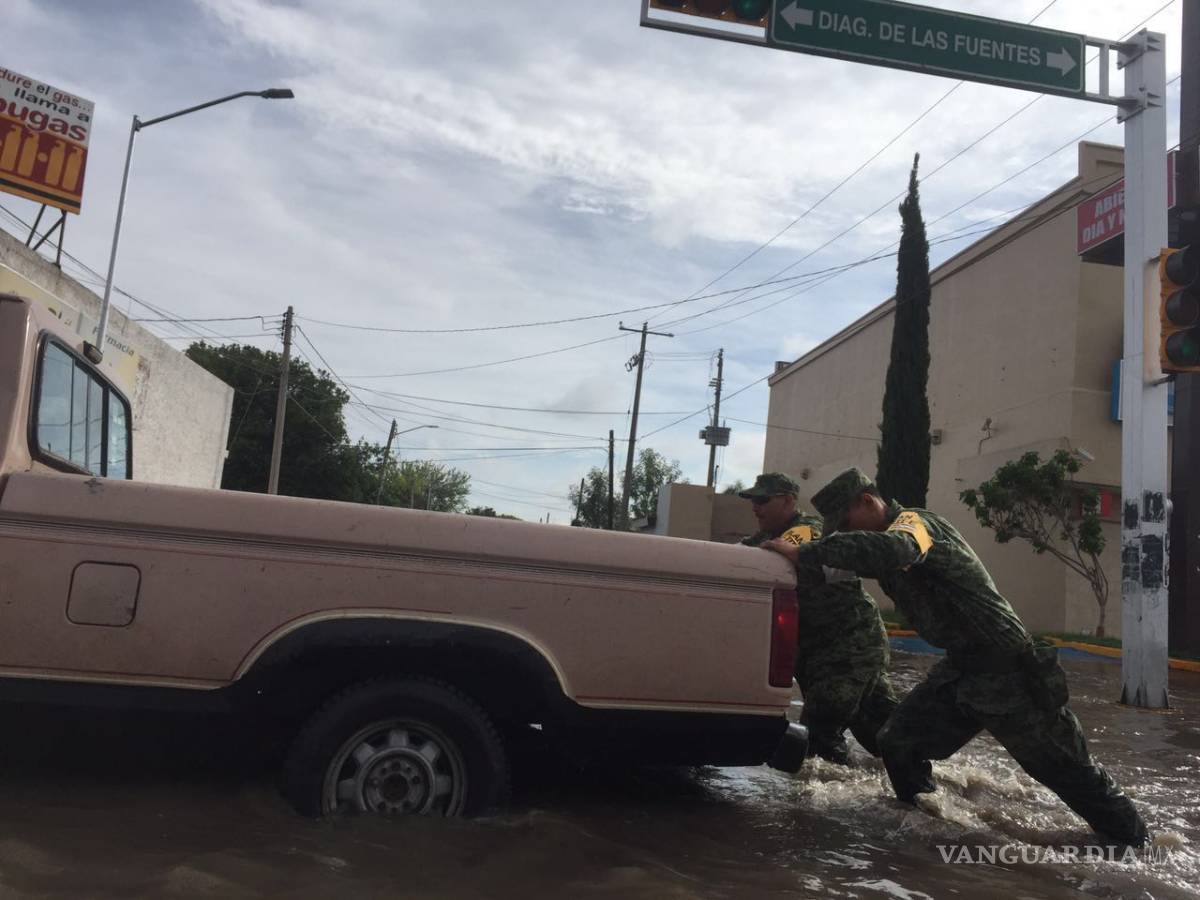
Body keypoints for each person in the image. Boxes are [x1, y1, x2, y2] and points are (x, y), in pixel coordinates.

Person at [762, 468, 1148, 847]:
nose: (845, 532)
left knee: (1066, 770)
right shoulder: (874, 544)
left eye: (846, 522)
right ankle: (929, 829)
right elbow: (832, 571)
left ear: (868, 501)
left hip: (1007, 667)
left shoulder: (916, 525)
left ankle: (1141, 846)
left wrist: (805, 551)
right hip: (962, 667)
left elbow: (894, 549)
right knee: (898, 741)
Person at [739, 473, 897, 764]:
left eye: (762, 500)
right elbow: (735, 557)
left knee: (815, 745)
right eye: (752, 501)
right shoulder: (765, 538)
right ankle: (935, 795)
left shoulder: (806, 530)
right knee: (890, 740)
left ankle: (841, 804)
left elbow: (775, 562)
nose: (755, 507)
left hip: (848, 650)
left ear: (788, 501)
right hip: (826, 655)